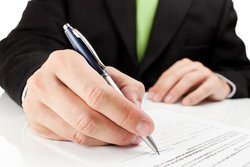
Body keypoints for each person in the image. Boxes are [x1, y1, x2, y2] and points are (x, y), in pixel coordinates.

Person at [0, 0, 249, 146]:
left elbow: (241, 68)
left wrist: (223, 81)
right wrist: (36, 81)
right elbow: (21, 44)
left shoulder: (216, 4)